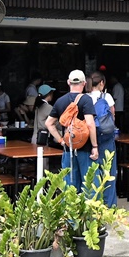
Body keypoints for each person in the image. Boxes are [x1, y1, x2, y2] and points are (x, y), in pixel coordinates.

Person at [46, 70, 98, 192]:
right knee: (88, 184)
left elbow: (49, 123)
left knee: (69, 186)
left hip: (68, 148)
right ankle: (87, 211)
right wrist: (95, 146)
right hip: (85, 149)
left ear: (68, 82)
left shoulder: (60, 101)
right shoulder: (86, 100)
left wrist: (60, 140)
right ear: (84, 83)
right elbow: (90, 124)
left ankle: (69, 211)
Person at [88, 71, 118, 207]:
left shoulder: (85, 98)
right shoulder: (107, 96)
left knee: (93, 172)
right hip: (107, 138)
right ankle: (109, 204)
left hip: (90, 140)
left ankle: (95, 203)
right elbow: (112, 116)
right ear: (101, 83)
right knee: (109, 172)